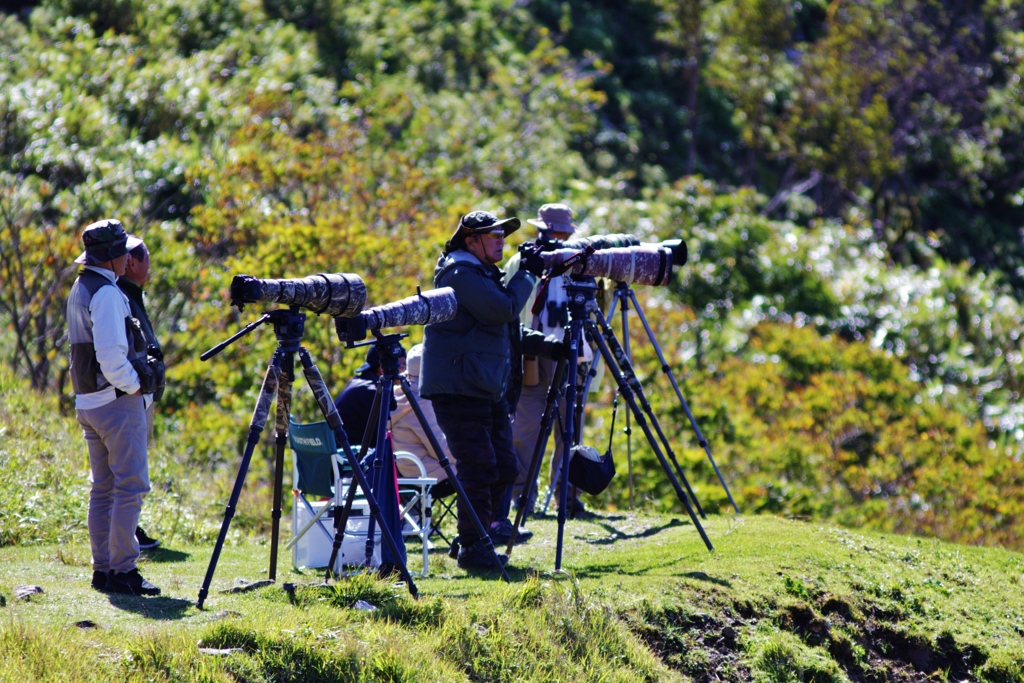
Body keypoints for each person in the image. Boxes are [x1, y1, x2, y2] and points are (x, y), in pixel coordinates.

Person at [419, 210, 561, 570]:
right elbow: (503, 310)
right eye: (493, 236)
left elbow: (503, 329)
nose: (501, 241)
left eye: (502, 236)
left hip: (483, 385)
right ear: (471, 240)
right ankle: (473, 546)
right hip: (459, 386)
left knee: (504, 466)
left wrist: (550, 346)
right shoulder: (460, 272)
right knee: (479, 465)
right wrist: (527, 272)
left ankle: (471, 536)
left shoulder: (481, 273)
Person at [67, 219, 160, 596]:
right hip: (115, 401)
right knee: (130, 485)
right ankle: (123, 571)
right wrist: (136, 386)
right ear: (110, 257)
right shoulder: (105, 293)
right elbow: (110, 356)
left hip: (88, 400)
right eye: (122, 250)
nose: (127, 256)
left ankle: (103, 569)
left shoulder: (81, 286)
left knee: (103, 488)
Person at [502, 203, 591, 522]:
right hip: (533, 354)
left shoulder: (579, 263)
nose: (558, 239)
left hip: (572, 354)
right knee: (525, 430)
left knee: (570, 430)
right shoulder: (521, 263)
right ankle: (522, 496)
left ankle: (567, 497)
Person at [116, 236, 164, 551]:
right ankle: (126, 534)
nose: (148, 265)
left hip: (140, 393)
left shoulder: (131, 293)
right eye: (145, 257)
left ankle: (131, 528)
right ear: (132, 262)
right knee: (130, 468)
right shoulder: (120, 295)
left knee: (135, 463)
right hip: (131, 394)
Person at [391, 343, 456, 489]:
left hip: (409, 472)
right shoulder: (419, 401)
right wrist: (466, 456)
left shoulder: (399, 394)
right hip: (430, 475)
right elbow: (439, 449)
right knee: (481, 469)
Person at [334, 345, 406, 446]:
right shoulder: (371, 392)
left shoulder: (361, 383)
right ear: (382, 368)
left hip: (342, 454)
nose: (404, 372)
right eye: (402, 366)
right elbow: (380, 438)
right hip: (350, 456)